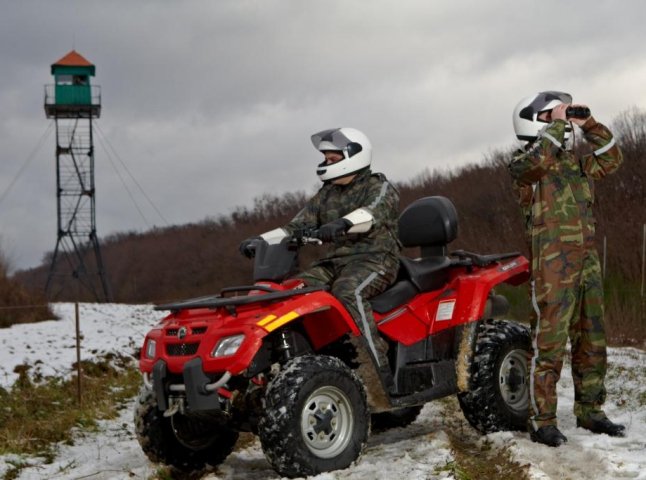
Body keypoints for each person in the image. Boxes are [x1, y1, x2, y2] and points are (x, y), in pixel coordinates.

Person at [240, 127, 401, 389]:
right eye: (326, 159)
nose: (326, 163)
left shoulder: (378, 186)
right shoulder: (326, 193)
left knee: (348, 292)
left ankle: (377, 367)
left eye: (332, 159)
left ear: (354, 156)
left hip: (375, 260)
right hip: (334, 262)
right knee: (291, 292)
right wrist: (260, 240)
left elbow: (372, 214)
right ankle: (303, 366)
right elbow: (295, 226)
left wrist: (341, 224)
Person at [509, 91, 625, 447]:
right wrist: (558, 124)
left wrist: (587, 124)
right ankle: (542, 420)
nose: (559, 122)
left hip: (587, 261)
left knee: (592, 339)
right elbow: (535, 162)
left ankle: (590, 411)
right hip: (552, 267)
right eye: (549, 116)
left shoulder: (573, 161)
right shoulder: (524, 164)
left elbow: (612, 158)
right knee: (550, 343)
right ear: (533, 121)